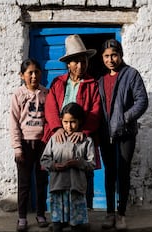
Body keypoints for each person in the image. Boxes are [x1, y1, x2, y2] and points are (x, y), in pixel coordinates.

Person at [42, 34, 101, 210]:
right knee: (59, 174)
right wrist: (56, 128)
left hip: (82, 137)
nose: (80, 65)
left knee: (84, 174)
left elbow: (95, 110)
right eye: (75, 62)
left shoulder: (92, 84)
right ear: (68, 64)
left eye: (83, 61)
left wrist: (84, 131)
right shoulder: (58, 83)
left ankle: (85, 212)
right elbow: (51, 106)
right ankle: (59, 213)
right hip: (60, 136)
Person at [98, 39, 149, 230]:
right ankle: (109, 213)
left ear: (120, 55)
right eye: (106, 56)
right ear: (102, 58)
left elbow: (142, 101)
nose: (110, 59)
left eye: (114, 55)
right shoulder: (101, 80)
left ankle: (121, 214)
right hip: (106, 134)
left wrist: (124, 118)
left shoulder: (131, 75)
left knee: (123, 172)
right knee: (109, 173)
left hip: (125, 133)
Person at [41, 102, 96, 232]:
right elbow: (44, 160)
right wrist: (53, 165)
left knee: (75, 223)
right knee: (57, 223)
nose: (69, 126)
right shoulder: (54, 139)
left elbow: (92, 163)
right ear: (60, 121)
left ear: (79, 122)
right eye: (65, 122)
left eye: (73, 122)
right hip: (58, 188)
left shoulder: (86, 141)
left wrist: (79, 163)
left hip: (76, 190)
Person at [9, 58, 49, 232]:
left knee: (42, 182)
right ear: (22, 75)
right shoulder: (18, 94)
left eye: (37, 72)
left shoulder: (46, 93)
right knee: (24, 183)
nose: (33, 76)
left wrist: (49, 142)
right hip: (25, 144)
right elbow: (14, 122)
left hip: (42, 144)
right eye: (29, 73)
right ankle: (22, 217)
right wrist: (17, 148)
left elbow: (50, 119)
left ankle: (41, 214)